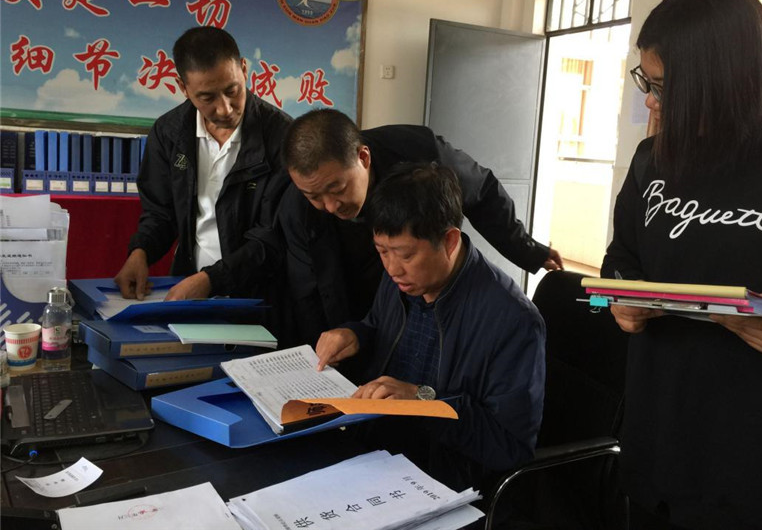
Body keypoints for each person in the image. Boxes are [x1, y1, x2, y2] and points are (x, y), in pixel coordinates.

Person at [602, 0, 762, 530]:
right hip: (658, 439)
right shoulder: (653, 158)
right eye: (647, 82)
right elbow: (619, 258)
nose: (650, 101)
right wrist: (619, 298)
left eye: (664, 87)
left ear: (726, 81)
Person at [315, 161, 545, 492]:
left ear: (450, 241)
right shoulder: (403, 279)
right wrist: (355, 334)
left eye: (405, 255)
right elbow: (379, 327)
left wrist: (424, 400)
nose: (392, 268)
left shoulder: (513, 320)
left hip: (441, 478)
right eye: (382, 251)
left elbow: (509, 446)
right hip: (374, 448)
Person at [277, 108, 562, 346]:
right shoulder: (296, 206)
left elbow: (483, 193)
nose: (330, 206)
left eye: (338, 188)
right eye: (314, 196)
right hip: (350, 283)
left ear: (363, 158)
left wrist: (527, 249)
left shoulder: (419, 154)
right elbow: (310, 292)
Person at [114, 27, 292, 301]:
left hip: (259, 295)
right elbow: (160, 212)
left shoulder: (282, 137)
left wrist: (213, 279)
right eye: (207, 98)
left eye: (232, 90)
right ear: (183, 88)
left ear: (244, 69)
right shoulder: (168, 133)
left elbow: (273, 234)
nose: (225, 108)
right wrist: (141, 252)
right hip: (191, 284)